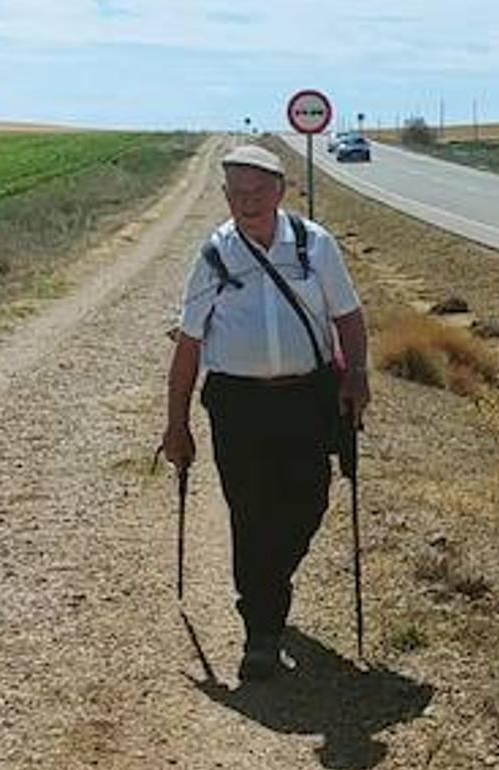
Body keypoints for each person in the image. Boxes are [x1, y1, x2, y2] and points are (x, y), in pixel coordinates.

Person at [161, 144, 370, 681]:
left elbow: (348, 317)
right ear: (226, 196)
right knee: (252, 513)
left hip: (309, 398)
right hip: (238, 404)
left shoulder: (314, 246)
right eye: (237, 194)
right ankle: (262, 631)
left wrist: (357, 377)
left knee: (309, 500)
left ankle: (268, 583)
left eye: (258, 192)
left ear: (280, 191)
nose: (248, 203)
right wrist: (176, 423)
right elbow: (187, 345)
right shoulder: (213, 257)